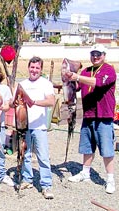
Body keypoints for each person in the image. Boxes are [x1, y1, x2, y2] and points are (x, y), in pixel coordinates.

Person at [66, 44, 117, 194]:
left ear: (104, 55)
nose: (95, 57)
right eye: (93, 54)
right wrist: (68, 80)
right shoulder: (86, 71)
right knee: (87, 146)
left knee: (107, 149)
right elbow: (76, 87)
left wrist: (77, 77)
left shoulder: (109, 70)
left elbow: (98, 82)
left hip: (104, 115)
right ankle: (85, 172)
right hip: (88, 114)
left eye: (98, 54)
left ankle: (110, 179)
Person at [13, 56, 55, 199]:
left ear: (41, 69)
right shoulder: (22, 84)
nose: (34, 70)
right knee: (25, 154)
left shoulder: (46, 84)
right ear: (28, 68)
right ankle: (27, 179)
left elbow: (51, 101)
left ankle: (46, 185)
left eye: (37, 68)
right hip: (24, 126)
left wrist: (34, 102)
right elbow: (15, 102)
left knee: (43, 156)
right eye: (32, 67)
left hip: (39, 126)